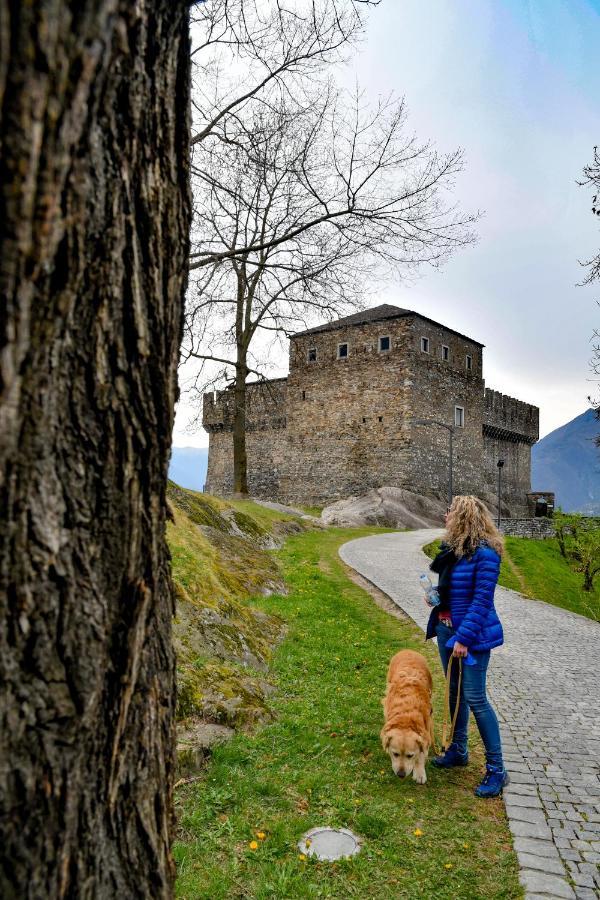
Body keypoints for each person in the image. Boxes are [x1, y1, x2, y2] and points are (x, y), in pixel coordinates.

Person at [425, 495, 508, 798]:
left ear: (463, 517)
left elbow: (481, 601)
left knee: (475, 698)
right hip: (445, 629)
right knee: (454, 692)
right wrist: (435, 596)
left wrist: (465, 638)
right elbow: (452, 591)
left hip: (469, 637)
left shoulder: (485, 555)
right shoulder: (454, 551)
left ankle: (497, 769)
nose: (445, 515)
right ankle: (458, 750)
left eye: (449, 511)